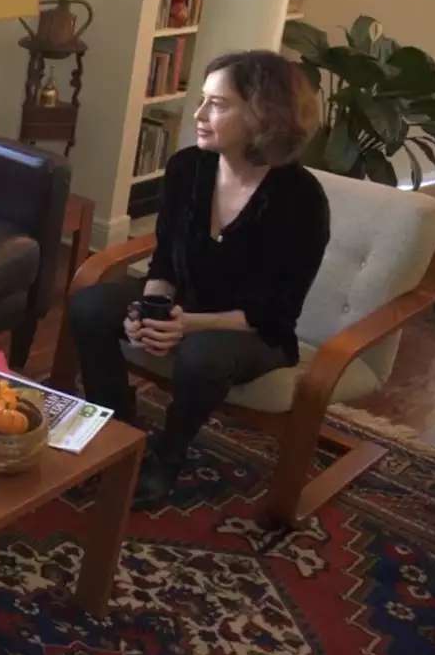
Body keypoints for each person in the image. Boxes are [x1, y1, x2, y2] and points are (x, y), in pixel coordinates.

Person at [67, 49, 329, 509]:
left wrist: (186, 325)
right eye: (203, 100)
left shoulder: (301, 199)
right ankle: (120, 429)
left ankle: (168, 454)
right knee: (89, 305)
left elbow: (275, 311)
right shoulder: (189, 166)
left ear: (263, 116)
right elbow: (166, 259)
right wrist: (149, 309)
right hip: (186, 302)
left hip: (252, 329)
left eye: (218, 104)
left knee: (201, 357)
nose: (200, 115)